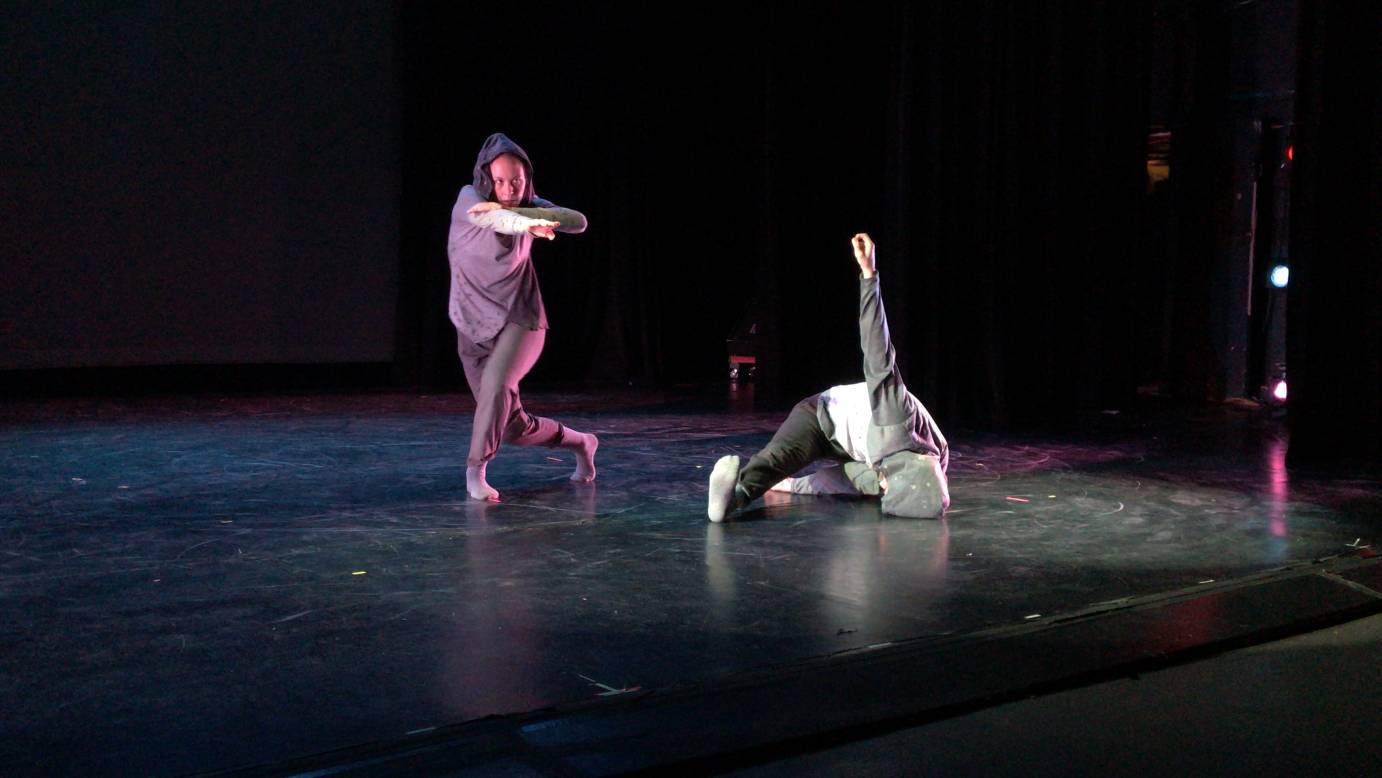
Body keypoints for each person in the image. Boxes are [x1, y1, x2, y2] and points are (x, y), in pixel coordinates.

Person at [707, 232, 949, 521]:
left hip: (853, 451)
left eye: (886, 490)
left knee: (849, 483)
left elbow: (839, 480)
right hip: (821, 417)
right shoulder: (897, 414)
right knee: (774, 461)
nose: (884, 486)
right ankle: (734, 497)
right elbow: (876, 349)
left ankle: (770, 486)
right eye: (888, 483)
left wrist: (794, 486)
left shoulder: (915, 471)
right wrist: (869, 275)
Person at [447, 132, 598, 502]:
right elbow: (493, 219)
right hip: (471, 323)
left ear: (526, 177)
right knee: (511, 426)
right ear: (487, 179)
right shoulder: (469, 199)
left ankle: (475, 470)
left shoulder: (530, 204)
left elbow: (577, 221)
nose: (509, 188)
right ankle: (583, 443)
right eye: (499, 181)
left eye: (516, 180)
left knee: (496, 388)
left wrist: (534, 214)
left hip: (521, 319)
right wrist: (523, 222)